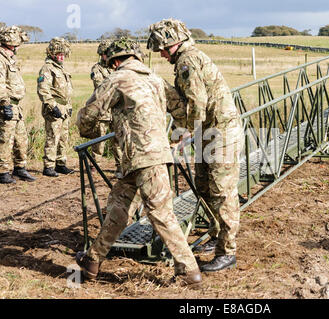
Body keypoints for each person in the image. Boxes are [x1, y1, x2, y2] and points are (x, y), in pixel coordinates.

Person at [75, 38, 202, 287]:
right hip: (150, 157)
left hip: (140, 158)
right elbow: (181, 110)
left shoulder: (116, 79)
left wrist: (89, 131)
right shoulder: (155, 79)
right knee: (118, 208)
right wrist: (173, 137)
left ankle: (189, 271)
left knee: (160, 213)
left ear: (116, 60)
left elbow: (87, 115)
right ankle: (92, 260)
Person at [148, 19, 243, 273]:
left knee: (222, 192)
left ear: (171, 43)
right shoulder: (187, 58)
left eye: (161, 48)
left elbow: (196, 103)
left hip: (220, 134)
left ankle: (227, 251)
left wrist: (182, 134)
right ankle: (216, 234)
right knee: (203, 186)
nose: (160, 53)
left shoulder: (187, 61)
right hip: (209, 133)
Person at [0, 26, 36, 184]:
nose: (17, 48)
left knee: (21, 139)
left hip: (16, 106)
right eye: (16, 45)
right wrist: (4, 103)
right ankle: (2, 172)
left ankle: (20, 168)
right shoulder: (1, 59)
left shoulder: (10, 59)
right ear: (9, 43)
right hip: (7, 105)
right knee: (5, 139)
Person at [37, 37, 74, 177]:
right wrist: (53, 106)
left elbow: (66, 89)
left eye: (63, 54)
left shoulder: (61, 68)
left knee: (64, 138)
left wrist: (68, 106)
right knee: (53, 137)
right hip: (54, 108)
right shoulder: (47, 68)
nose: (61, 56)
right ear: (51, 54)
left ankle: (61, 163)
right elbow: (43, 90)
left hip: (64, 108)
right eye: (59, 54)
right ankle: (49, 166)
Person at [89, 40, 123, 179]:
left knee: (118, 140)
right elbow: (101, 87)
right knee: (99, 140)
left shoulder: (116, 67)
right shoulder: (97, 69)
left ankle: (121, 166)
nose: (108, 56)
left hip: (115, 109)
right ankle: (94, 166)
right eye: (105, 54)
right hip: (103, 110)